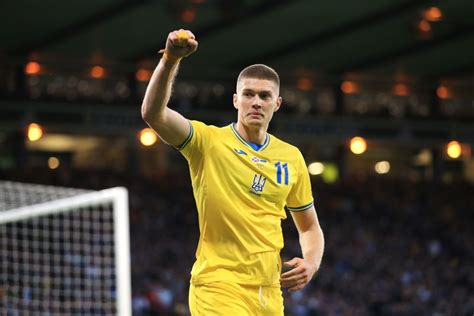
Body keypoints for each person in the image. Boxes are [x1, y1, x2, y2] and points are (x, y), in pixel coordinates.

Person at [141, 29, 325, 315]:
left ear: (276, 104)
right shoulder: (207, 142)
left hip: (268, 292)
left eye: (264, 96)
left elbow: (309, 226)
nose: (256, 102)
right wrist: (170, 61)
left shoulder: (291, 158)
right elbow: (154, 114)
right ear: (236, 100)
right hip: (218, 285)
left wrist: (311, 263)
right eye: (249, 94)